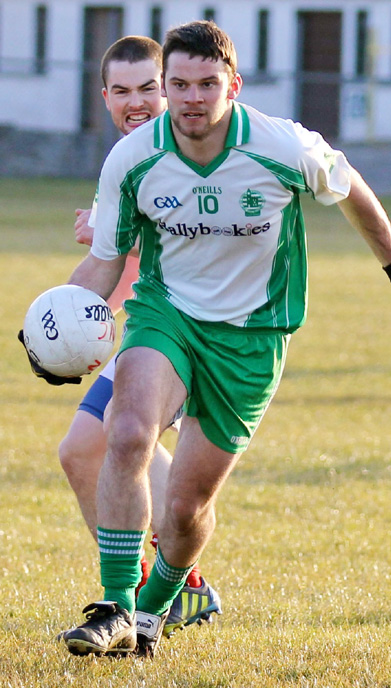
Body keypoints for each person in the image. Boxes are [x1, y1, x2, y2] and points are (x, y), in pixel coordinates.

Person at [54, 20, 391, 658]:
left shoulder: (281, 146)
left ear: (232, 84)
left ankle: (156, 610)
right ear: (167, 87)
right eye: (180, 84)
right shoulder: (132, 156)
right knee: (125, 433)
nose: (193, 98)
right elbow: (104, 261)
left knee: (184, 509)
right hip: (166, 317)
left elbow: (351, 189)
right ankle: (115, 605)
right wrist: (59, 328)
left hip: (253, 339)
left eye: (207, 84)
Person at [54, 35, 221, 638]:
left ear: (171, 88)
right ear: (105, 98)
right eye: (122, 92)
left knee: (121, 442)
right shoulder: (124, 158)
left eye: (149, 87)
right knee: (83, 451)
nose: (137, 102)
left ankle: (167, 588)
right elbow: (111, 250)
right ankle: (163, 584)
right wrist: (50, 327)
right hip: (141, 329)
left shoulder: (192, 145)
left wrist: (113, 229)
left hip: (191, 333)